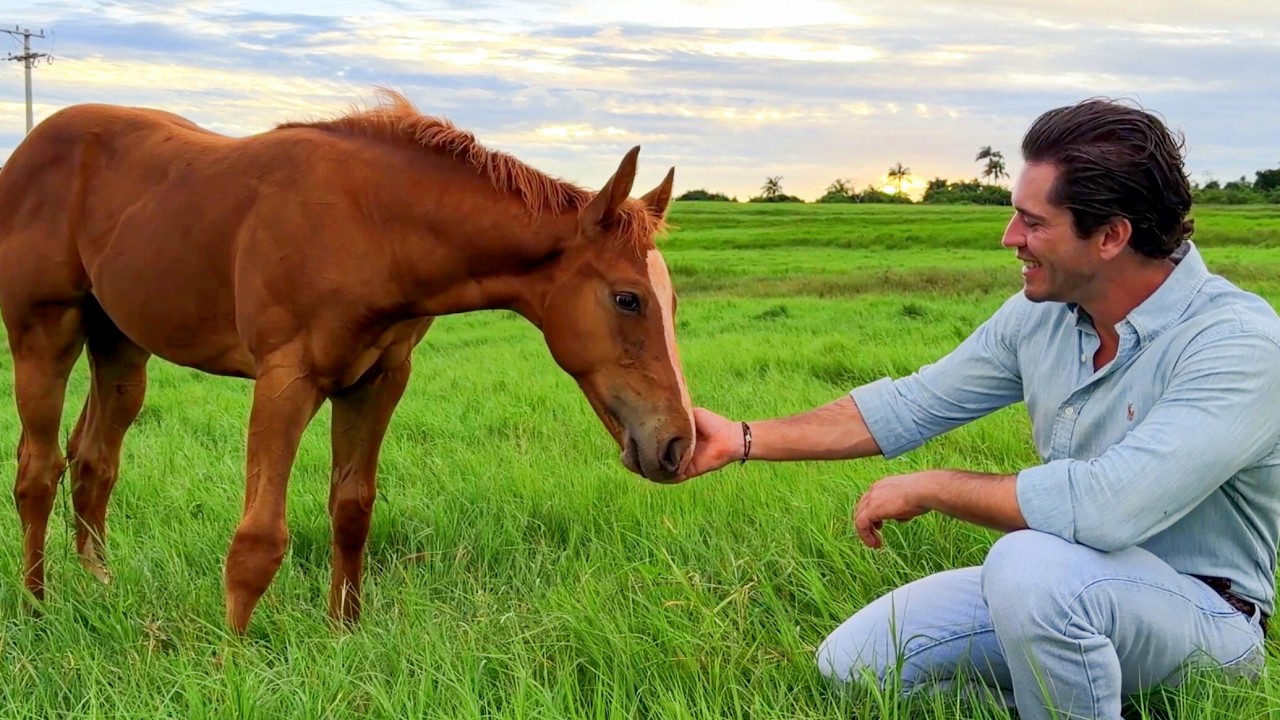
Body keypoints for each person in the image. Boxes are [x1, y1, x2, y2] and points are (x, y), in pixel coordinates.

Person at [679, 98, 1280, 719]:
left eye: (1033, 222)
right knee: (857, 665)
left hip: (1206, 618)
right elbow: (916, 402)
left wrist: (936, 486)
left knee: (1029, 564)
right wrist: (742, 438)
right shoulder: (1041, 315)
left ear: (1110, 236)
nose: (1010, 238)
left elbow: (1106, 509)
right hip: (1067, 586)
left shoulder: (1235, 344)